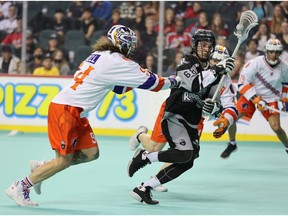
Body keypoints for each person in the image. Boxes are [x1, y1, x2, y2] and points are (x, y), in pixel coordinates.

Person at [5, 24, 181, 207]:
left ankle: (42, 168)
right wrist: (176, 81)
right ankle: (20, 187)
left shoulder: (102, 56)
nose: (132, 47)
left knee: (91, 153)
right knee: (62, 161)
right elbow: (154, 83)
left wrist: (136, 81)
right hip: (66, 110)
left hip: (75, 111)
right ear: (119, 42)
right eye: (129, 42)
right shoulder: (117, 61)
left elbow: (119, 88)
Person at [127, 29, 237, 204]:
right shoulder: (187, 62)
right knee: (172, 149)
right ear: (194, 46)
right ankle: (145, 156)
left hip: (193, 121)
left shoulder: (223, 78)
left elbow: (230, 106)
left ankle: (144, 187)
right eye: (202, 45)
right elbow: (194, 84)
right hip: (175, 114)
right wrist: (216, 70)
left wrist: (222, 116)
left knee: (188, 159)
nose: (205, 50)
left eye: (209, 47)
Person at [220, 38, 288, 159]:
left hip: (270, 99)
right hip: (250, 96)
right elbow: (242, 84)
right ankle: (232, 143)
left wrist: (284, 100)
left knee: (276, 127)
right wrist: (256, 99)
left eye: (277, 52)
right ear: (267, 51)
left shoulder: (284, 67)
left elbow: (286, 83)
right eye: (272, 52)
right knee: (231, 119)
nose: (274, 55)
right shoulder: (254, 63)